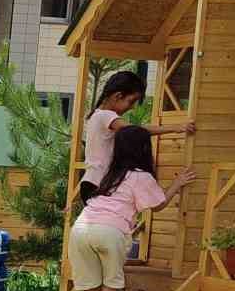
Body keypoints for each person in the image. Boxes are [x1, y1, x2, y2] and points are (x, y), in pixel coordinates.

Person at [57, 126, 195, 291]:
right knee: (113, 280)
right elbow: (158, 205)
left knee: (86, 282)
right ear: (143, 149)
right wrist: (176, 185)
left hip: (81, 227)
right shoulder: (141, 176)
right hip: (110, 231)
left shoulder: (110, 173)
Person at [79, 70, 194, 206]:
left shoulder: (98, 116)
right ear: (118, 96)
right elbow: (135, 132)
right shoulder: (105, 116)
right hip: (98, 183)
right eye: (131, 101)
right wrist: (175, 128)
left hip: (93, 182)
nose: (132, 107)